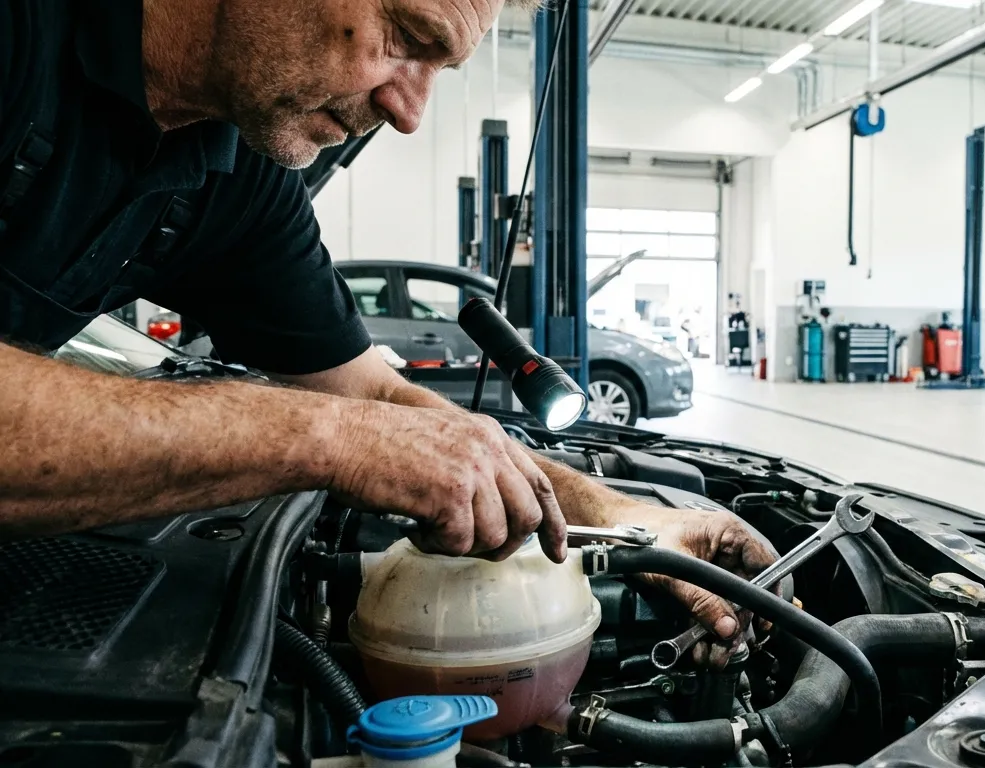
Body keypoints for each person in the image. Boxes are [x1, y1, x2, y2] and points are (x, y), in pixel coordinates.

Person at [0, 0, 773, 664]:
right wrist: (332, 439)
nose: (408, 112)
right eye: (405, 37)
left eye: (440, 67)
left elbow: (369, 394)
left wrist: (617, 516)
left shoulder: (233, 172)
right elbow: (350, 423)